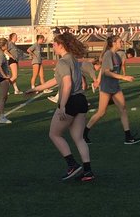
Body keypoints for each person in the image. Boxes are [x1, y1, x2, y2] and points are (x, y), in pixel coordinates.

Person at [32, 32, 94, 181]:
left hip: (71, 101)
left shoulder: (62, 62)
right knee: (79, 138)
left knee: (54, 134)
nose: (52, 46)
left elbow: (66, 84)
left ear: (61, 45)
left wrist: (62, 106)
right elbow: (56, 81)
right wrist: (35, 89)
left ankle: (72, 164)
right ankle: (88, 171)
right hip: (81, 100)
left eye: (54, 43)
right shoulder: (72, 59)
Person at [85, 35, 140, 145]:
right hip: (107, 88)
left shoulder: (117, 55)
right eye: (120, 41)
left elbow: (102, 71)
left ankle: (128, 137)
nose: (122, 43)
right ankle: (84, 133)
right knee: (101, 112)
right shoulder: (108, 54)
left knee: (123, 109)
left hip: (115, 87)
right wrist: (123, 77)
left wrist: (98, 81)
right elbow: (106, 71)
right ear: (114, 43)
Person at [0, 38, 13, 124]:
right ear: (3, 45)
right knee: (3, 97)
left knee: (4, 97)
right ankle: (1, 116)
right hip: (2, 78)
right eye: (6, 44)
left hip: (2, 77)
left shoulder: (0, 53)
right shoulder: (0, 54)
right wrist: (4, 76)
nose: (7, 46)